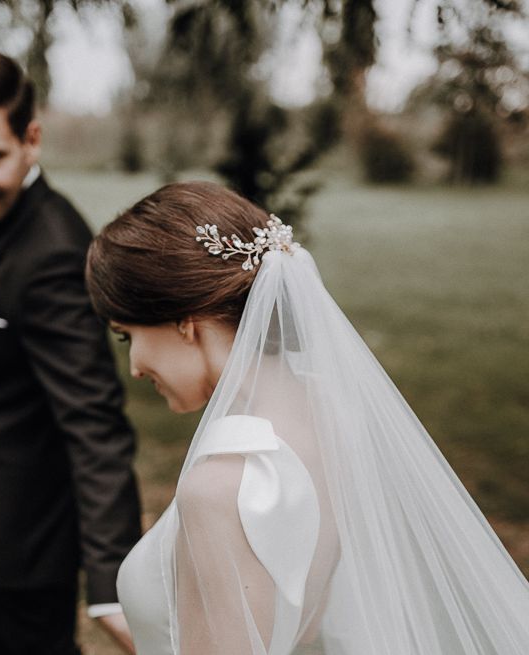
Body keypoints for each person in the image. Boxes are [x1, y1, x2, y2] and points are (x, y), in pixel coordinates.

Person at [85, 181, 529, 655]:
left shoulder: (220, 489)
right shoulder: (332, 413)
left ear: (183, 320)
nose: (134, 367)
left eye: (126, 336)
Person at [0, 51, 141, 655]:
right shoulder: (2, 219)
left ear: (31, 140)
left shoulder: (50, 251)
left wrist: (109, 581)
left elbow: (95, 420)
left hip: (22, 552)